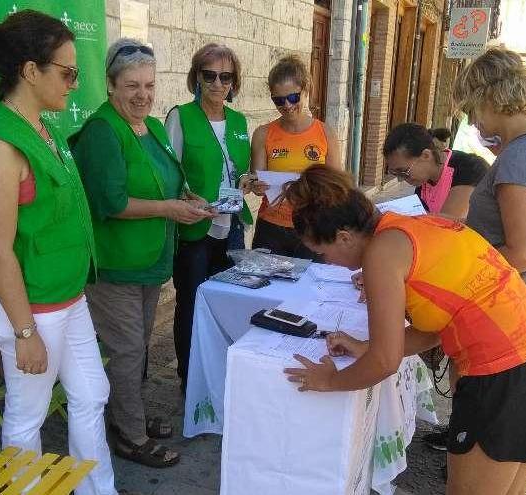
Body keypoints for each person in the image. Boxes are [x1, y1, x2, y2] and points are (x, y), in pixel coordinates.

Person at [282, 166, 526, 495]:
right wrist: (370, 347)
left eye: (322, 253)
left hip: (507, 376)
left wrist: (330, 381)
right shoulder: (419, 224)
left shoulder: (382, 253)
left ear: (344, 237)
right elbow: (436, 328)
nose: (327, 262)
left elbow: (385, 362)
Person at [0, 11, 116, 494]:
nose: (74, 83)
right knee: (26, 418)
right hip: (31, 308)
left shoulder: (41, 129)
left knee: (92, 393)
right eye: (67, 72)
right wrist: (23, 332)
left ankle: (97, 489)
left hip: (66, 296)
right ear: (31, 71)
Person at [70, 38, 212, 468]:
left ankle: (127, 416)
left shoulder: (148, 125)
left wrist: (183, 194)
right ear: (111, 85)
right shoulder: (102, 130)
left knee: (138, 349)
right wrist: (170, 209)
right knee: (128, 351)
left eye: (149, 85)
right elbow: (110, 202)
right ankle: (130, 437)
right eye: (131, 84)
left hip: (150, 260)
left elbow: (166, 175)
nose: (142, 94)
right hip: (116, 265)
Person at [164, 43, 255, 392]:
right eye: (210, 75)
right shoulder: (181, 116)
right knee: (190, 303)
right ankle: (190, 380)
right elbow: (170, 172)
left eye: (226, 76)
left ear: (234, 81)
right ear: (197, 77)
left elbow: (239, 169)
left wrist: (247, 180)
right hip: (195, 227)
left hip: (230, 225)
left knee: (225, 302)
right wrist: (186, 195)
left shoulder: (238, 121)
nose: (218, 83)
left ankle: (219, 372)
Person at [454, 47, 526, 310]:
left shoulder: (523, 156)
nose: (471, 122)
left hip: (503, 313)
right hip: (510, 307)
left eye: (471, 110)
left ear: (489, 99)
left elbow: (524, 254)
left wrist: (459, 274)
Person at [250, 54, 342, 259]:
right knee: (266, 290)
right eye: (278, 100)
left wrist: (308, 188)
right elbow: (257, 184)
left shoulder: (325, 134)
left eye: (293, 97)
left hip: (313, 228)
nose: (287, 105)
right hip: (272, 228)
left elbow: (337, 188)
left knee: (309, 290)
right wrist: (257, 186)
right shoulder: (263, 134)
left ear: (305, 90)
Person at [384, 123, 489, 220]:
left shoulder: (469, 168)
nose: (400, 179)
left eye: (403, 172)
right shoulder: (423, 183)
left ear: (426, 155)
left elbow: (450, 224)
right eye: (395, 174)